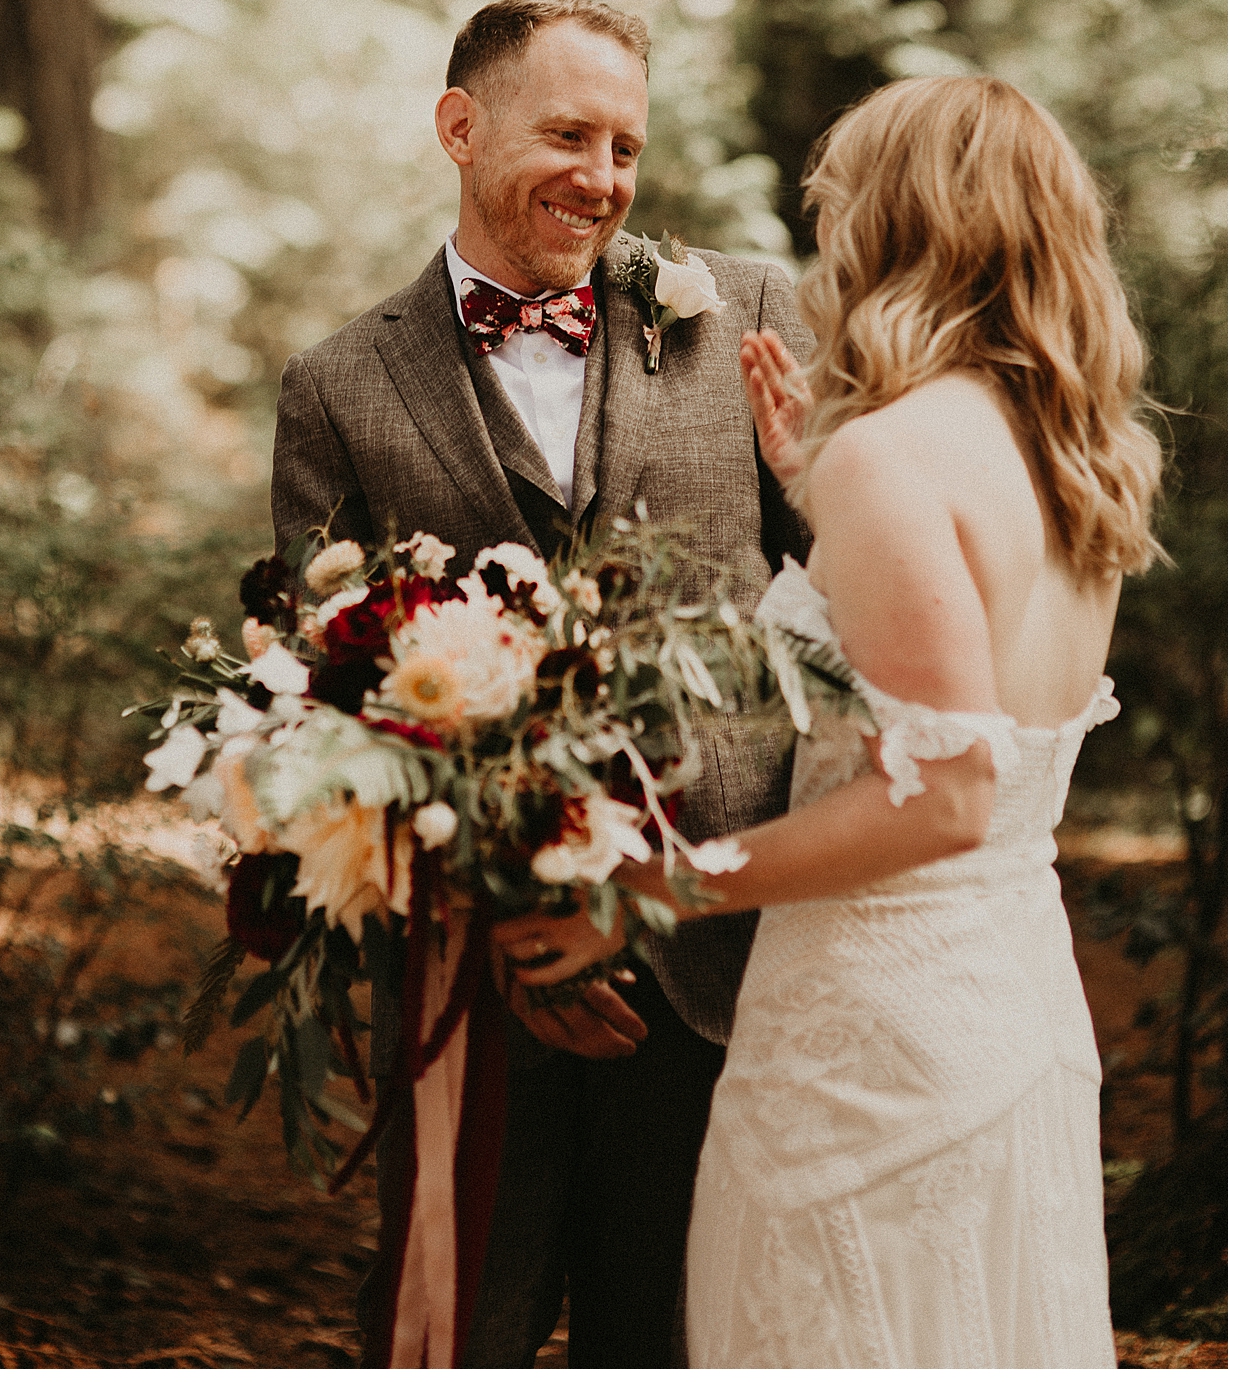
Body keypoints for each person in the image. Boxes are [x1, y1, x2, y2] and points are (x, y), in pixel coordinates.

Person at [496, 73, 1164, 1368]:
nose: (825, 235)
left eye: (841, 202)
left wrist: (659, 883)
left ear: (898, 223)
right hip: (1010, 1005)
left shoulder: (899, 453)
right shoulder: (1069, 454)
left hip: (868, 1040)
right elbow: (971, 688)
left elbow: (947, 786)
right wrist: (821, 493)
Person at [270, 0, 813, 1366]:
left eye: (625, 145)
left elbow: (845, 595)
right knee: (469, 1328)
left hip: (714, 952)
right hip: (474, 973)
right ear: (459, 126)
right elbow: (328, 696)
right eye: (568, 132)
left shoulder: (745, 307)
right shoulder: (339, 385)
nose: (604, 177)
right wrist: (502, 919)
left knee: (676, 1339)